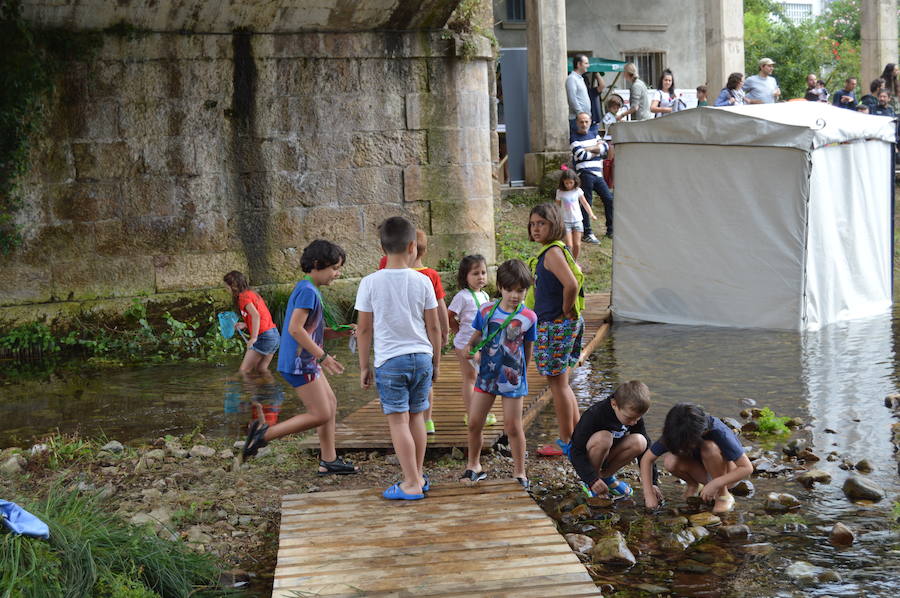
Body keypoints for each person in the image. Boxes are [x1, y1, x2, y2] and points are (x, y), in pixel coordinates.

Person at [243, 240, 359, 477]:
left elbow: (309, 329)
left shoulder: (307, 288)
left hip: (305, 361)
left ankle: (329, 460)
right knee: (321, 413)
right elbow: (296, 329)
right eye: (335, 268)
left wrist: (339, 331)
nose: (338, 273)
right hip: (299, 363)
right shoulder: (307, 291)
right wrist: (323, 356)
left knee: (331, 404)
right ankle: (264, 435)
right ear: (317, 264)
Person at [356, 216, 442, 501]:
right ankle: (417, 476)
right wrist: (437, 361)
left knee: (398, 422)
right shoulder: (423, 280)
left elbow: (364, 328)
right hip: (421, 356)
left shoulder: (369, 283)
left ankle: (411, 482)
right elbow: (434, 327)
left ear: (382, 248)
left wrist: (363, 366)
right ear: (412, 247)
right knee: (417, 416)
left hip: (390, 360)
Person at [461, 259, 537, 489]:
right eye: (510, 289)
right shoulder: (486, 310)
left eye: (521, 290)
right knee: (475, 422)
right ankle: (474, 465)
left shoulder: (529, 317)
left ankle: (520, 471)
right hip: (486, 376)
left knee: (513, 426)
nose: (515, 295)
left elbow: (528, 349)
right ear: (500, 287)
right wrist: (470, 350)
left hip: (512, 379)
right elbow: (475, 337)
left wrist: (523, 374)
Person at [526, 203, 585, 458]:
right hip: (561, 324)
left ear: (554, 225)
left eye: (542, 223)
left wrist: (564, 309)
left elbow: (571, 284)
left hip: (555, 325)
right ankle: (577, 435)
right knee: (562, 382)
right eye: (533, 224)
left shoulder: (551, 253)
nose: (536, 228)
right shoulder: (558, 250)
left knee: (557, 384)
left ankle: (566, 442)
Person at [639, 403, 753, 514]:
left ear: (702, 432)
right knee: (670, 460)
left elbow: (747, 468)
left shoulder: (719, 432)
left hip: (726, 476)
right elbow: (647, 459)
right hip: (703, 473)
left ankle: (723, 495)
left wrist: (716, 484)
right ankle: (693, 485)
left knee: (709, 448)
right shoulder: (676, 431)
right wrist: (649, 494)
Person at [569, 381, 654, 499]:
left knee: (641, 441)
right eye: (630, 418)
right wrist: (591, 479)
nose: (634, 422)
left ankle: (606, 477)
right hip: (589, 456)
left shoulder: (632, 415)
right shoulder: (594, 415)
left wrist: (652, 484)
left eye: (638, 418)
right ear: (614, 404)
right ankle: (591, 484)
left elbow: (647, 453)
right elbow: (575, 451)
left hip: (609, 454)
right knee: (605, 438)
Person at [447, 254, 494, 426]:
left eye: (483, 272)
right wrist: (456, 330)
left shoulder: (485, 296)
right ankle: (470, 414)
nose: (480, 276)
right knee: (470, 377)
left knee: (481, 376)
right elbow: (449, 315)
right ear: (465, 277)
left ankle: (480, 411)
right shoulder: (462, 296)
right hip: (464, 344)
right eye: (475, 273)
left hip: (480, 343)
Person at [410, 229, 449, 435]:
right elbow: (440, 304)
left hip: (405, 333)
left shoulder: (386, 267)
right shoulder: (430, 275)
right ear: (423, 251)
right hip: (425, 334)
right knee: (426, 381)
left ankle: (407, 420)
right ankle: (428, 419)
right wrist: (446, 328)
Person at [223, 270, 280, 376]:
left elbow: (256, 316)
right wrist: (245, 324)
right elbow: (261, 316)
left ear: (234, 286)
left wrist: (253, 338)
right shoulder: (251, 294)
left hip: (264, 337)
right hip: (274, 335)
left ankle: (250, 392)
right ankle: (273, 391)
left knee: (244, 371)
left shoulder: (243, 297)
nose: (226, 290)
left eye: (227, 287)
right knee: (261, 370)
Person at [570, 112, 612, 241]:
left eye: (586, 121)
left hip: (598, 175)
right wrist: (596, 150)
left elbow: (605, 148)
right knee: (586, 202)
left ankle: (611, 230)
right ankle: (587, 232)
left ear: (590, 122)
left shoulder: (594, 133)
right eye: (581, 122)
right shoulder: (573, 138)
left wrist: (588, 149)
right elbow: (582, 156)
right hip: (584, 174)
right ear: (577, 123)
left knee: (609, 199)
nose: (584, 124)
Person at [555, 167, 596, 260]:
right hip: (565, 221)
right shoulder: (560, 192)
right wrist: (556, 218)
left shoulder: (577, 191)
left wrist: (591, 214)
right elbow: (557, 206)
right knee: (569, 244)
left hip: (577, 221)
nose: (569, 185)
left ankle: (574, 262)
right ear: (563, 182)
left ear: (575, 181)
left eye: (571, 183)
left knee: (577, 244)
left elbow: (585, 203)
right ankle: (568, 261)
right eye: (566, 183)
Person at [566, 54, 591, 135]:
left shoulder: (580, 78)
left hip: (584, 119)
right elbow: (572, 98)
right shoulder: (572, 78)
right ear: (579, 64)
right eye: (586, 63)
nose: (588, 65)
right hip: (577, 119)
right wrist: (580, 113)